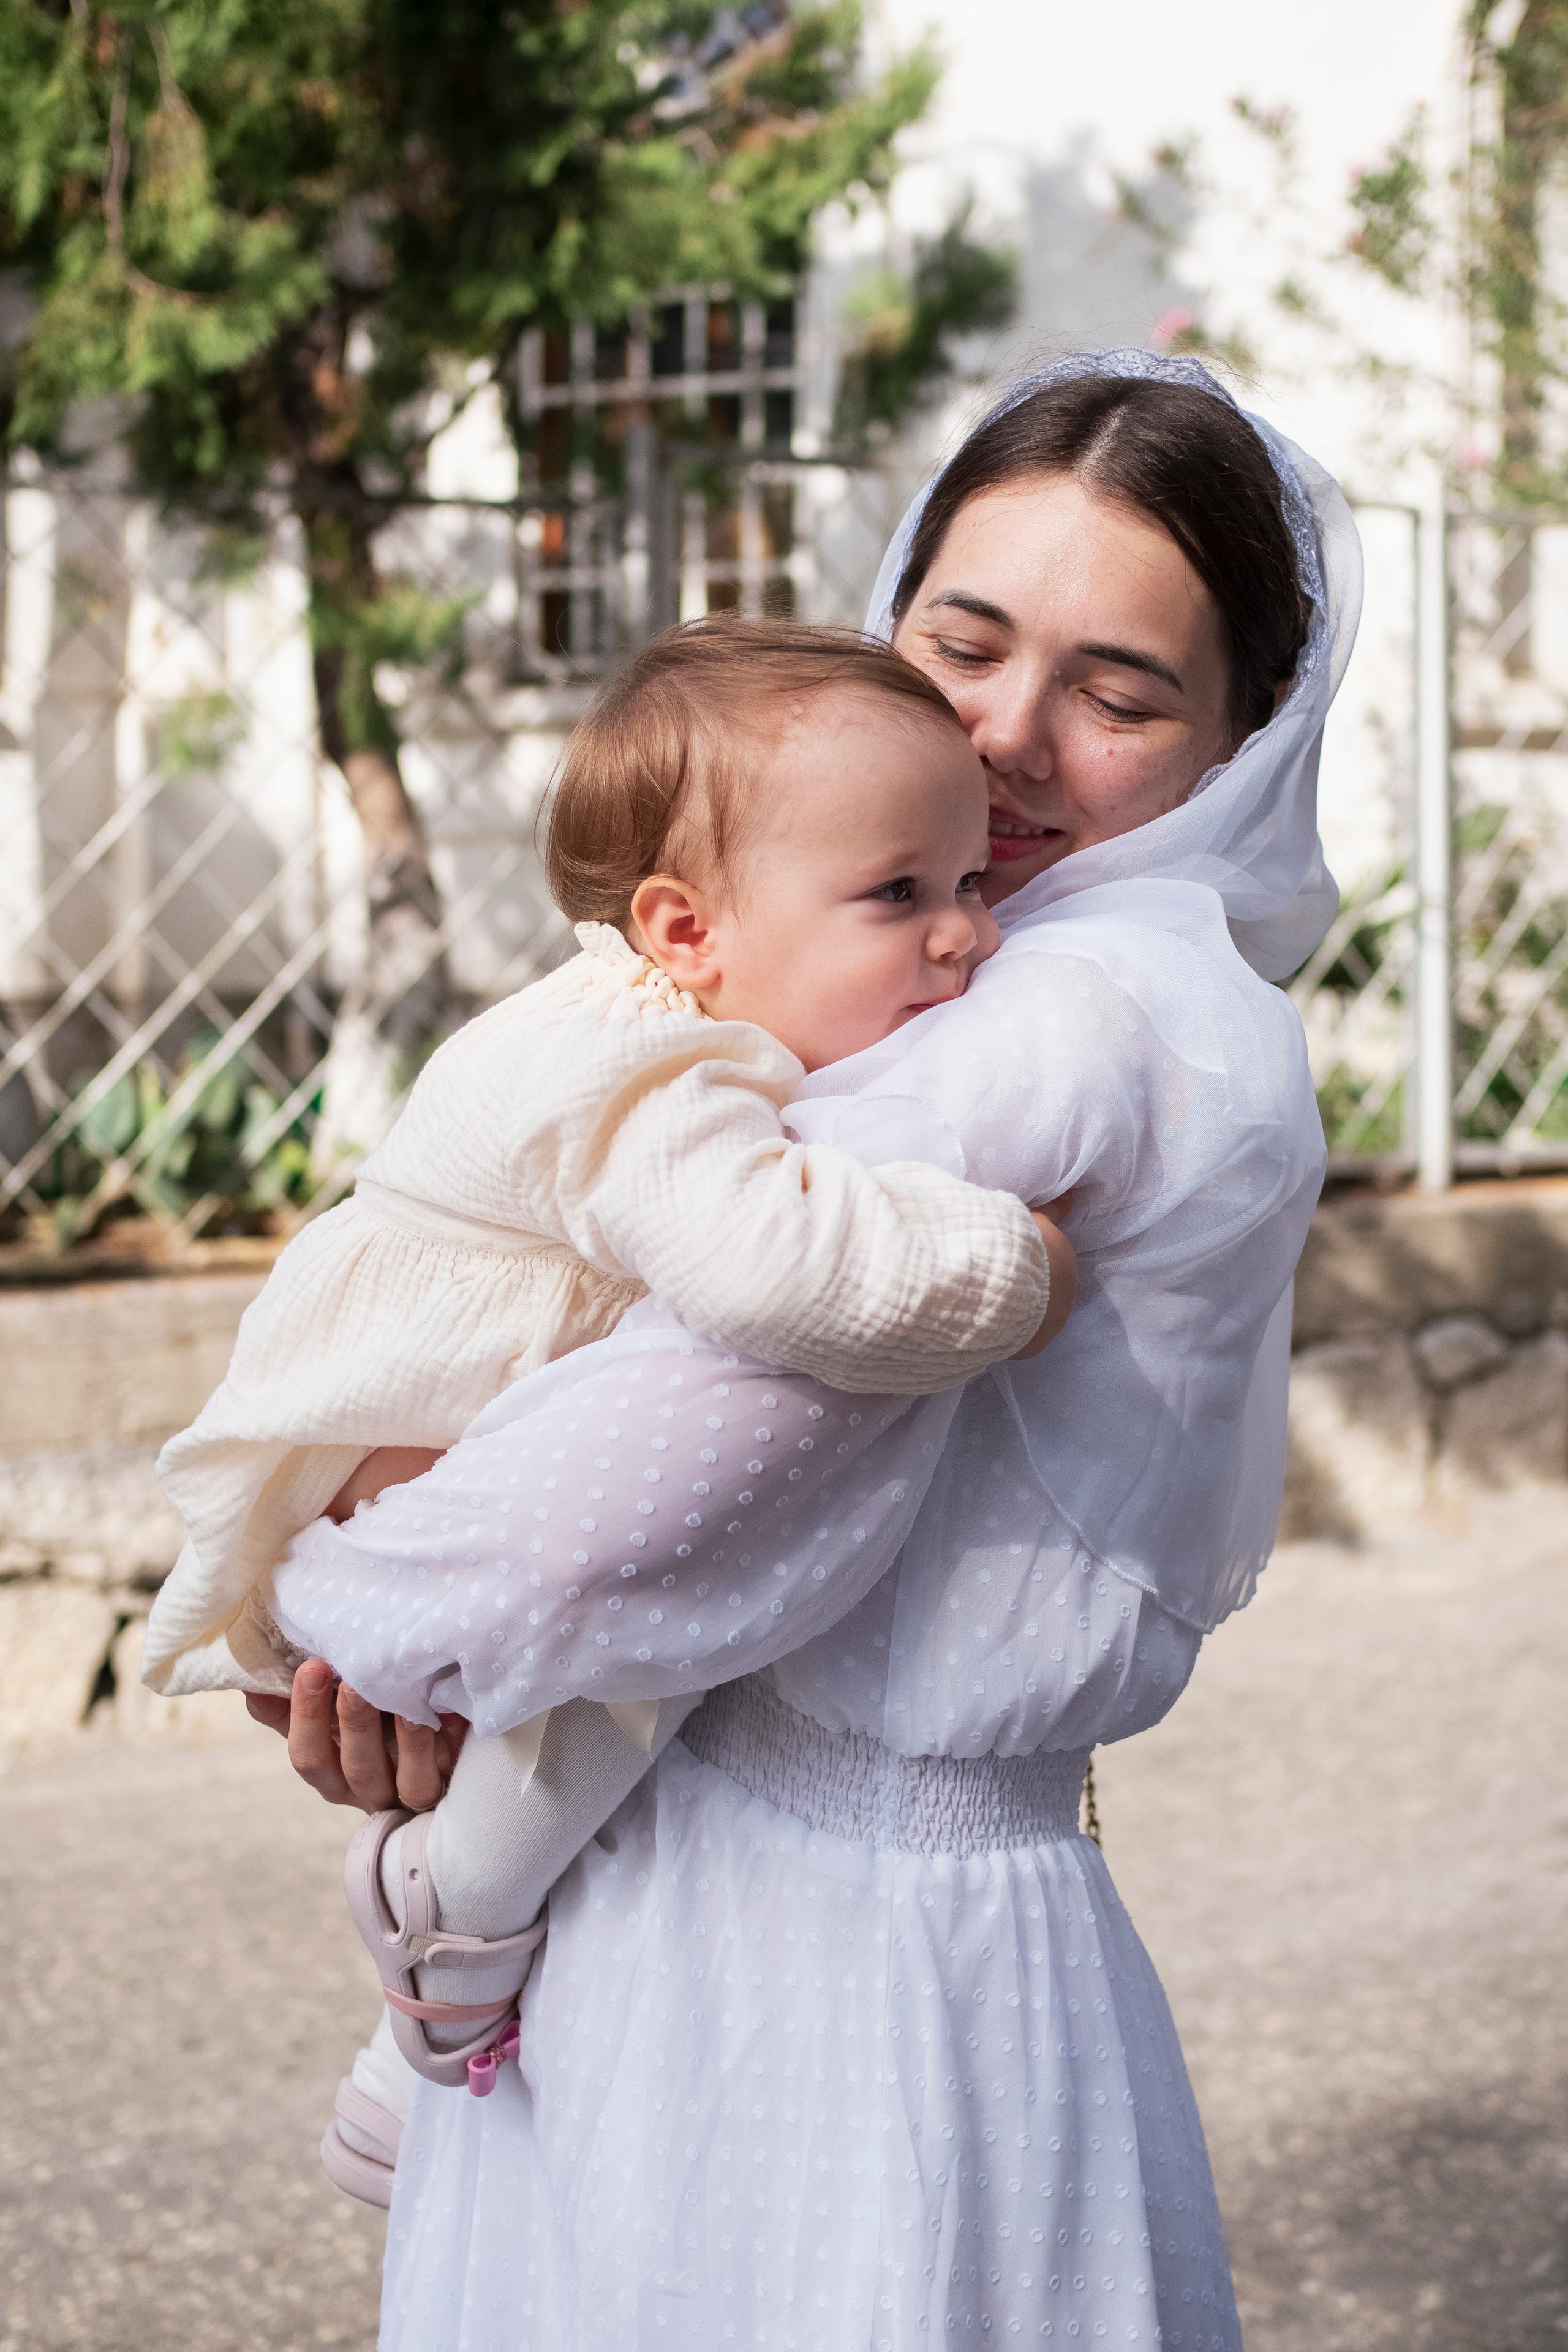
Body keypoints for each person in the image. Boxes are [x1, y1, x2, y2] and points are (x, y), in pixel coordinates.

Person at [259, 349, 1362, 2348]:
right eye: (965, 642)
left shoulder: (1062, 1020)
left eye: (1121, 696)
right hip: (878, 1906)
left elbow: (632, 1462)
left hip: (798, 1953)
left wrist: (345, 1596)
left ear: (1246, 735)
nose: (1009, 738)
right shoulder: (981, 961)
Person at [146, 620, 1078, 2201]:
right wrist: (1023, 1269)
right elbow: (778, 1275)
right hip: (386, 1460)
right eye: (900, 894)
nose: (966, 937)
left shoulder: (656, 1021)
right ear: (685, 928)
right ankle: (450, 1924)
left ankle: (406, 2045)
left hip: (427, 1435)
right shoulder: (652, 1072)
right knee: (635, 1650)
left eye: (974, 882)